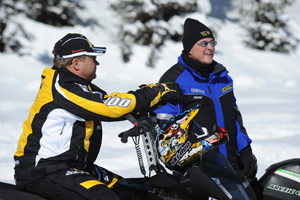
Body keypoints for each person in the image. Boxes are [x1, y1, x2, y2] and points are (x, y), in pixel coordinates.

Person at [14, 33, 182, 200]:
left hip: (73, 167)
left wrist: (141, 114)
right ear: (76, 63)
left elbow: (110, 104)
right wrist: (159, 91)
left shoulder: (79, 86)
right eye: (93, 59)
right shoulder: (63, 87)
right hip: (45, 170)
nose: (97, 63)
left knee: (133, 191)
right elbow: (108, 107)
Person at [154, 18, 258, 189]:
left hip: (231, 167)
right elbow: (166, 131)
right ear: (189, 48)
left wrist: (245, 151)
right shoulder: (174, 80)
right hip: (197, 174)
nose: (210, 48)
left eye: (212, 42)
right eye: (204, 43)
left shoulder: (223, 77)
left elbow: (235, 119)